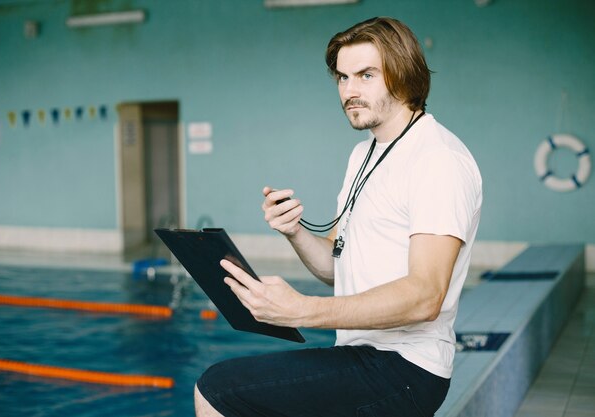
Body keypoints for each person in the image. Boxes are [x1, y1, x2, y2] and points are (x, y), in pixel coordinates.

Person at [195, 16, 482, 417]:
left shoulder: (437, 160)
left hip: (406, 369)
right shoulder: (364, 154)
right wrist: (294, 231)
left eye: (366, 75)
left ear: (402, 74)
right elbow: (337, 265)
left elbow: (425, 296)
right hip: (359, 354)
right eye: (342, 78)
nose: (349, 91)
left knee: (216, 389)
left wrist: (301, 310)